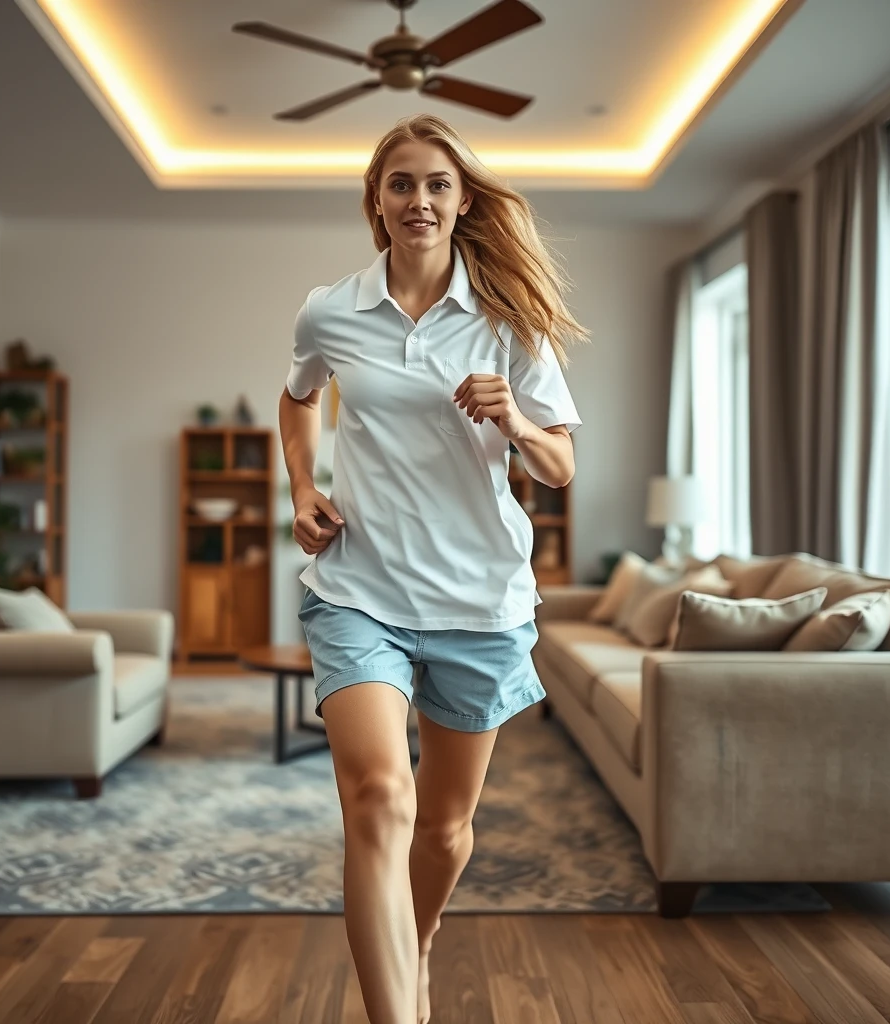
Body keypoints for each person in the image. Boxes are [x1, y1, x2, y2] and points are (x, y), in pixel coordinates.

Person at [278, 112, 586, 1024]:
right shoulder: (330, 308)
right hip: (359, 589)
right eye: (401, 183)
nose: (419, 199)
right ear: (376, 200)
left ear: (461, 202)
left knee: (445, 829)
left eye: (437, 184)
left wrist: (518, 423)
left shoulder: (512, 324)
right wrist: (302, 485)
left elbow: (560, 467)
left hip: (480, 602)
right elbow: (297, 400)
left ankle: (415, 940)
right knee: (379, 796)